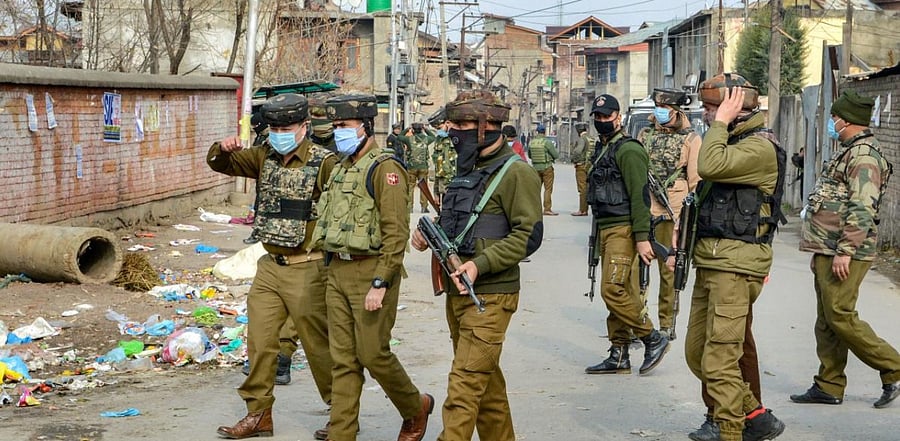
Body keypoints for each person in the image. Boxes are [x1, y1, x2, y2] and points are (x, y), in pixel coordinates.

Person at [411, 89, 543, 441]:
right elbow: (459, 223)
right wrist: (429, 235)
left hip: (491, 297)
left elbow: (527, 236)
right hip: (460, 294)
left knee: (464, 388)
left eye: (461, 124)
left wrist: (480, 265)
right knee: (486, 388)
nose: (453, 131)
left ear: (486, 127)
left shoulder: (517, 174)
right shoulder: (467, 168)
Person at [210, 93, 336, 440]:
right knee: (260, 342)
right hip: (269, 266)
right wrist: (224, 149)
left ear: (304, 127)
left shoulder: (324, 162)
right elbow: (223, 165)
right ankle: (258, 414)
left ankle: (340, 413)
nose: (280, 133)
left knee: (318, 346)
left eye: (287, 127)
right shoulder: (264, 157)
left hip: (308, 266)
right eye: (275, 127)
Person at [311, 94, 433, 441]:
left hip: (371, 272)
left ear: (364, 127)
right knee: (343, 358)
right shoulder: (340, 167)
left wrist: (381, 282)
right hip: (337, 270)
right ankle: (342, 432)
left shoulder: (386, 169)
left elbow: (396, 234)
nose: (338, 133)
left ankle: (415, 406)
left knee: (373, 354)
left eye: (344, 126)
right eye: (334, 127)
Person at [681, 73, 787, 441]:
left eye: (713, 107)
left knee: (720, 360)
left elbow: (708, 166)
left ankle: (731, 431)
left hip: (736, 266)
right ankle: (755, 413)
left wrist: (722, 121)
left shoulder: (757, 148)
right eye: (709, 108)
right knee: (697, 355)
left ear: (737, 107)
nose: (707, 115)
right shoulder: (733, 141)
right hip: (711, 261)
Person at [791, 89, 900, 410]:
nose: (831, 122)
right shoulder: (849, 150)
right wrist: (820, 249)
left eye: (835, 117)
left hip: (847, 250)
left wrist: (845, 250)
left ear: (848, 120)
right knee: (827, 318)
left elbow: (862, 207)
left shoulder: (864, 156)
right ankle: (829, 384)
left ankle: (893, 365)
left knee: (840, 315)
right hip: (830, 247)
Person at [584, 93, 670, 376]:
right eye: (597, 117)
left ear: (618, 117)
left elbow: (639, 197)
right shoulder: (603, 148)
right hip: (606, 228)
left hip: (623, 229)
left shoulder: (628, 150)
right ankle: (619, 352)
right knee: (622, 288)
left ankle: (652, 337)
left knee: (613, 289)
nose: (601, 121)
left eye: (606, 117)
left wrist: (642, 236)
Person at [637, 88, 702, 340]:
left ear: (677, 112)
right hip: (645, 210)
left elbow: (695, 181)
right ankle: (639, 320)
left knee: (668, 270)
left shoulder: (691, 139)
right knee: (637, 271)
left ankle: (666, 323)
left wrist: (687, 220)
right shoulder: (645, 135)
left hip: (672, 214)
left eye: (665, 108)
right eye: (657, 107)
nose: (659, 112)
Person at [528, 124, 560, 216]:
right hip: (546, 168)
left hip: (535, 168)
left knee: (536, 189)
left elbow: (530, 156)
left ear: (537, 132)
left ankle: (534, 209)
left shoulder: (532, 142)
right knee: (548, 189)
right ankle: (547, 209)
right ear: (544, 132)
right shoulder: (547, 142)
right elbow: (556, 155)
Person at [429, 107, 456, 202]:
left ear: (448, 123)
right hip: (443, 189)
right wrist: (436, 191)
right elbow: (438, 166)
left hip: (456, 189)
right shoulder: (439, 140)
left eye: (439, 128)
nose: (438, 131)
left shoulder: (458, 139)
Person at [407, 122, 432, 213]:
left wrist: (408, 129)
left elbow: (400, 136)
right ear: (421, 130)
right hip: (423, 166)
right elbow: (433, 136)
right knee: (424, 187)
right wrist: (426, 129)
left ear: (413, 130)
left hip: (411, 167)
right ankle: (424, 207)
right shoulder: (426, 139)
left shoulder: (408, 139)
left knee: (410, 187)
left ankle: (409, 207)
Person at [569, 122, 593, 216]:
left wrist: (574, 159)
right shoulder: (591, 138)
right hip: (590, 165)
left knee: (582, 189)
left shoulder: (582, 139)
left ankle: (582, 210)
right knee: (587, 188)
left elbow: (578, 151)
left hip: (581, 165)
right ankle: (585, 209)